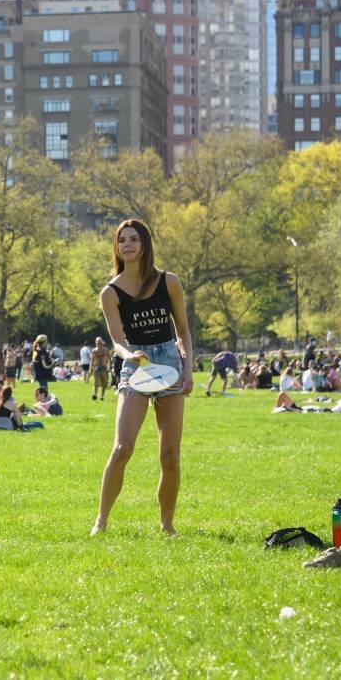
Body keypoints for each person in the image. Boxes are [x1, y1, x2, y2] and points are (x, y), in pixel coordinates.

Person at [92, 219, 193, 537]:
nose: (128, 245)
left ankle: (167, 525)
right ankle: (101, 521)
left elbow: (183, 331)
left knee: (171, 457)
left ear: (145, 244)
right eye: (122, 240)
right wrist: (128, 356)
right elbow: (117, 341)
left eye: (134, 239)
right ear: (117, 247)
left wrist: (187, 369)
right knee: (122, 448)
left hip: (170, 364)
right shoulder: (111, 293)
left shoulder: (169, 282)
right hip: (136, 365)